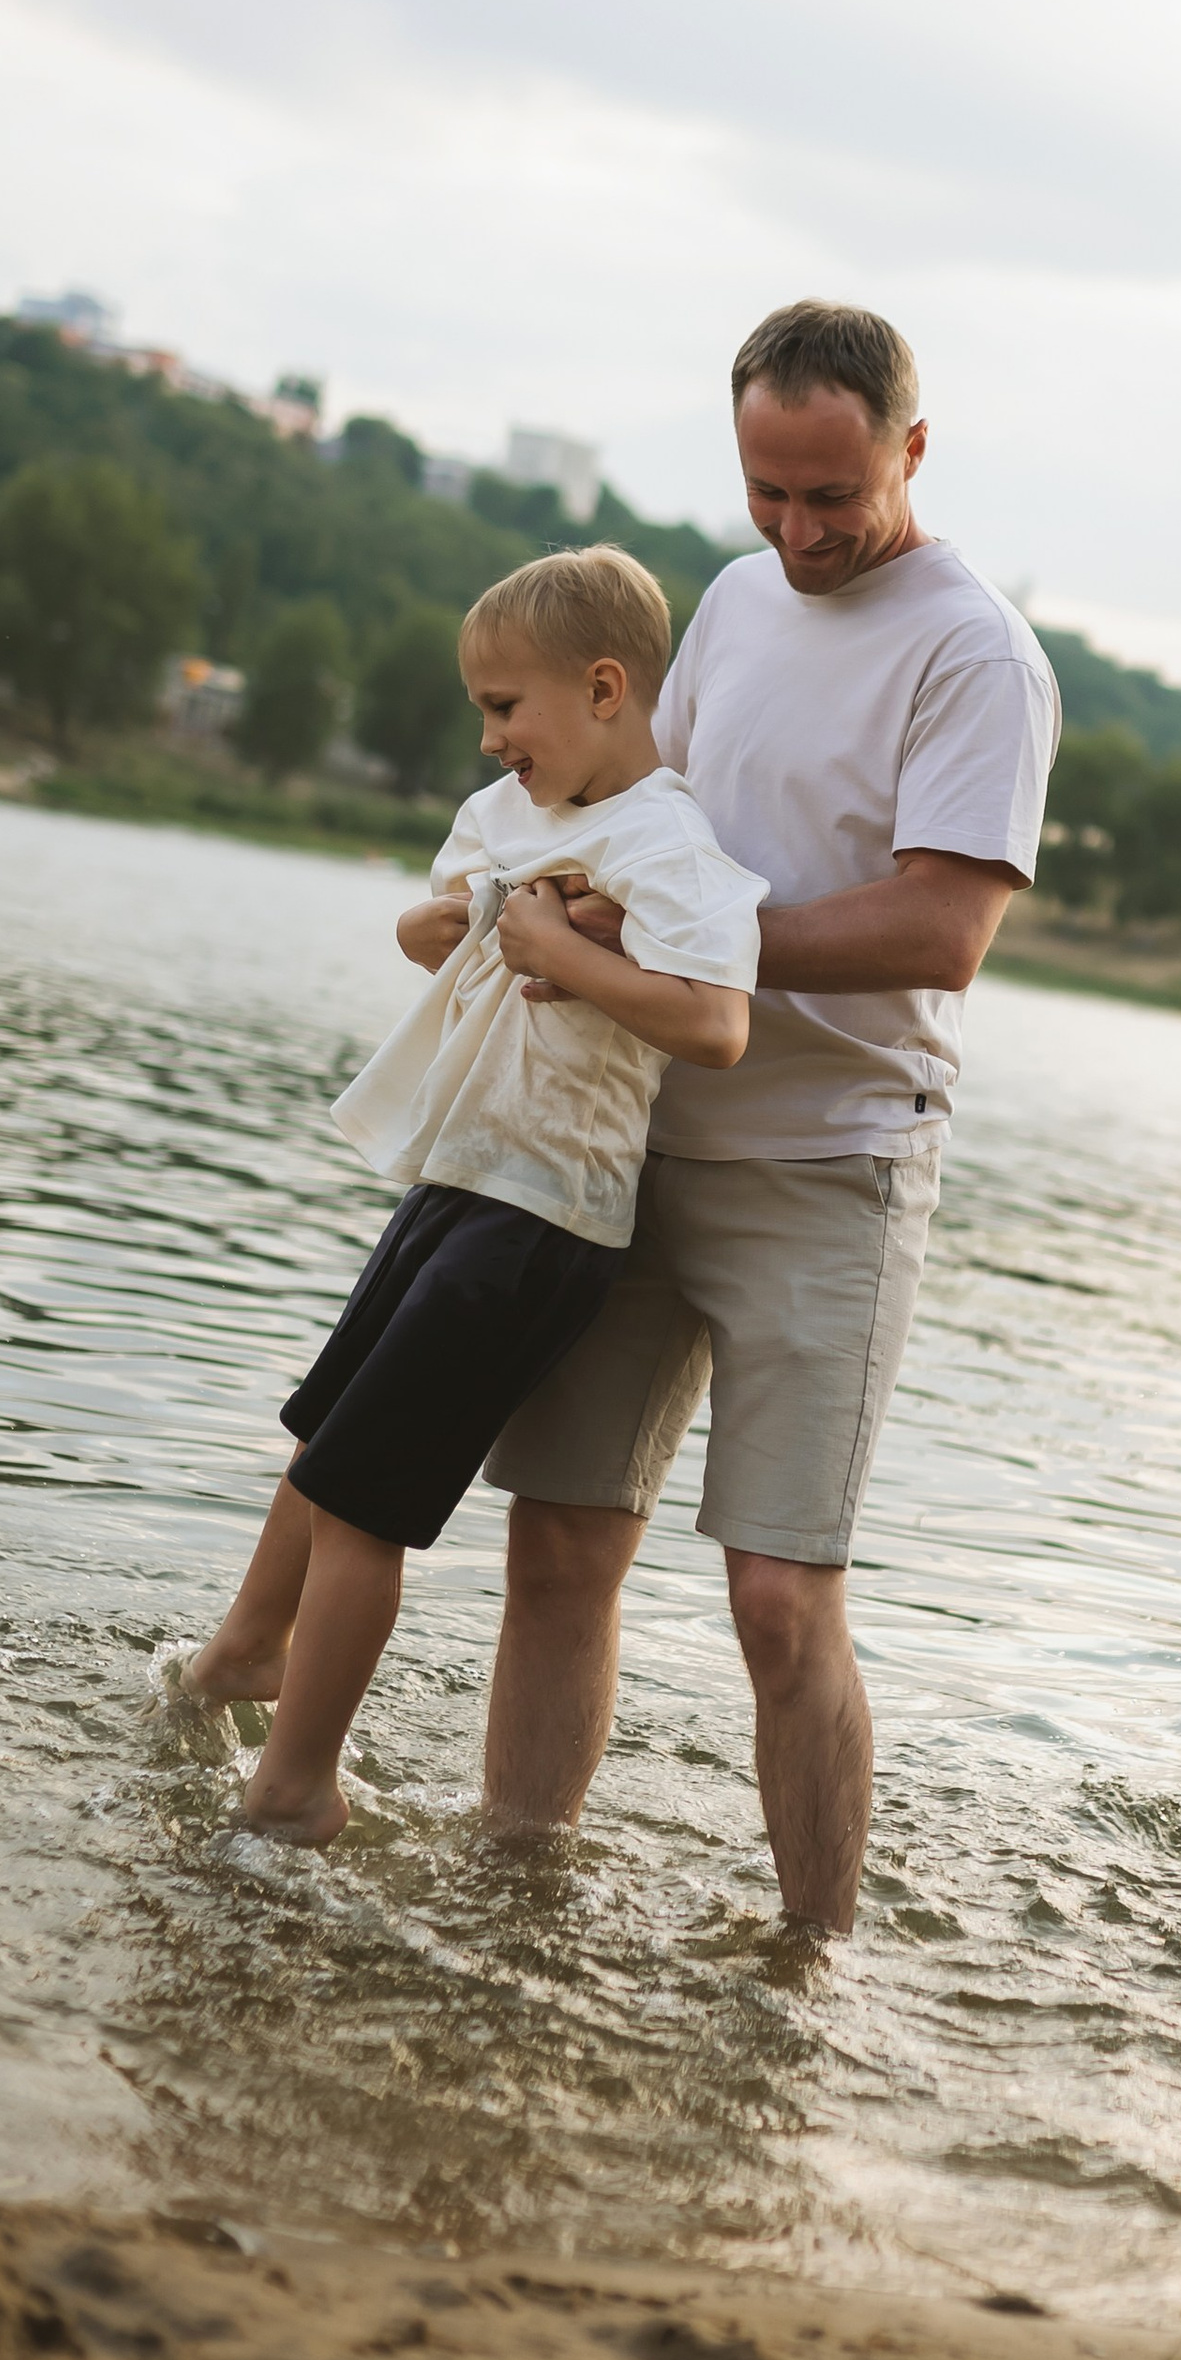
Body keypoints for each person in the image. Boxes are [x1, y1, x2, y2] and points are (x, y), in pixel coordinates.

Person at [476, 300, 1060, 1940]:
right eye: (768, 493)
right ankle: (508, 1916)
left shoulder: (977, 654)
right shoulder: (731, 603)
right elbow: (654, 816)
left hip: (835, 1170)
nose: (799, 534)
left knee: (781, 1604)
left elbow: (938, 930)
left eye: (834, 496)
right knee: (557, 1548)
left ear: (912, 452)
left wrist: (674, 940)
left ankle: (812, 1968)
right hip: (639, 1133)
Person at [175, 546, 768, 1843]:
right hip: (453, 1180)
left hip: (543, 1217)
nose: (491, 736)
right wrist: (436, 930)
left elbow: (718, 1026)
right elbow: (429, 921)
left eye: (507, 708)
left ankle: (295, 1787)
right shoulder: (508, 817)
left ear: (605, 689)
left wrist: (564, 949)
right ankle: (239, 1658)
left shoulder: (665, 844)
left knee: (365, 1501)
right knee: (323, 1448)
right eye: (481, 712)